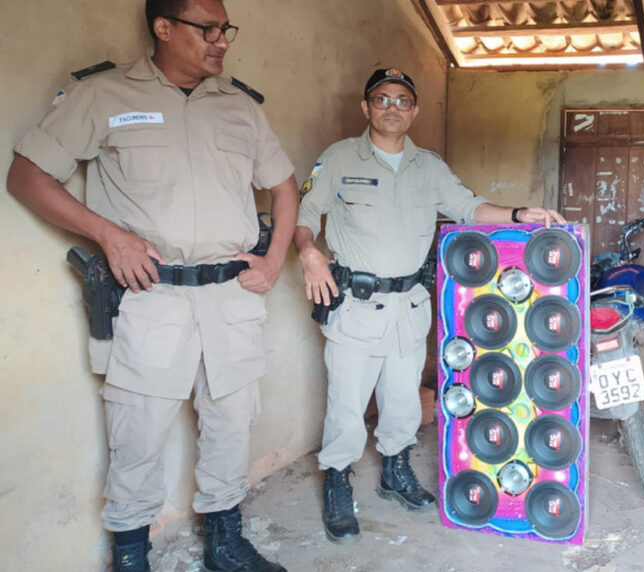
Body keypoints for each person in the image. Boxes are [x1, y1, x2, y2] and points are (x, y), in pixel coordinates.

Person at [6, 1, 297, 570]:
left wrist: (275, 257)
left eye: (225, 30)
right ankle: (132, 553)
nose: (221, 41)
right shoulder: (104, 95)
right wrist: (107, 235)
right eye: (206, 29)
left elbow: (284, 188)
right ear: (163, 28)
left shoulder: (239, 106)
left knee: (230, 424)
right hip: (150, 296)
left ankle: (225, 542)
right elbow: (27, 175)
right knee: (138, 431)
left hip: (230, 296)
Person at [293, 67, 565, 542]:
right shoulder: (338, 158)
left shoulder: (430, 167)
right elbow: (305, 213)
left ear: (414, 110)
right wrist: (308, 252)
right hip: (355, 308)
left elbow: (468, 207)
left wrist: (521, 214)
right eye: (382, 99)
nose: (392, 108)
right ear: (366, 107)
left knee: (401, 404)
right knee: (346, 406)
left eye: (402, 100)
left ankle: (395, 472)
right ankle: (338, 482)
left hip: (410, 308)